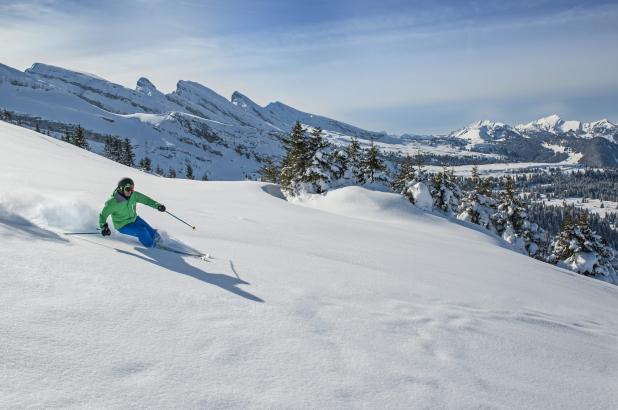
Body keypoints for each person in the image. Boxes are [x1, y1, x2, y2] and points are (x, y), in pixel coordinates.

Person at [99, 177, 166, 247]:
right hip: (122, 225)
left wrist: (158, 206)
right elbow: (103, 215)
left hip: (134, 219)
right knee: (142, 231)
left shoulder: (134, 195)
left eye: (132, 189)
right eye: (128, 189)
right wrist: (104, 227)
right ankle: (152, 246)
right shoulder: (113, 202)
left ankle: (160, 241)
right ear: (121, 188)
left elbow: (147, 200)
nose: (130, 191)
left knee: (151, 232)